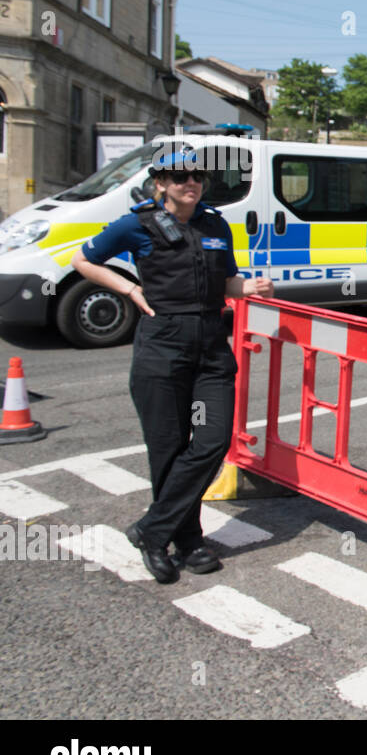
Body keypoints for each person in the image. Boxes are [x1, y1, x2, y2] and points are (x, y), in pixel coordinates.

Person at [72, 149, 273, 584]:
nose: (191, 182)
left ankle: (150, 529)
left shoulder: (215, 223)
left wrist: (249, 287)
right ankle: (185, 539)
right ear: (160, 182)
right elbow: (82, 260)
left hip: (209, 347)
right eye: (180, 176)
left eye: (197, 175)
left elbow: (226, 281)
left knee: (212, 440)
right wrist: (128, 288)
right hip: (161, 348)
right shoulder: (138, 223)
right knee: (167, 449)